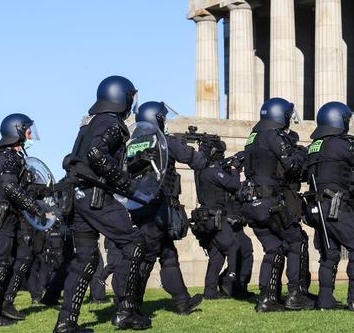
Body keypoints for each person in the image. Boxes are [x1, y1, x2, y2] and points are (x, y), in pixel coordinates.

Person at [54, 76, 150, 332]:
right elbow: (96, 154)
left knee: (84, 259)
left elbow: (84, 157)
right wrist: (124, 184)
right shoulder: (112, 123)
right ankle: (126, 312)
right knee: (134, 244)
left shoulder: (90, 122)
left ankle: (66, 323)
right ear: (121, 97)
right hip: (97, 199)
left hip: (79, 197)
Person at [304, 101, 354, 311]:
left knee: (329, 254)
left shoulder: (314, 145)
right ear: (338, 120)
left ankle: (325, 300)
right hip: (335, 205)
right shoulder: (340, 143)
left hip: (317, 207)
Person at [129, 100, 207, 314]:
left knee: (168, 254)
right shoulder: (163, 140)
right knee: (146, 256)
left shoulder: (132, 143)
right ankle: (131, 306)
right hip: (157, 207)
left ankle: (182, 301)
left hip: (138, 205)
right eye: (163, 118)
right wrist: (205, 153)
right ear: (156, 118)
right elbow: (194, 159)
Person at [242, 97, 313, 312]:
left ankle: (267, 299)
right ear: (280, 115)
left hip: (251, 202)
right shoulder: (273, 135)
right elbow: (291, 166)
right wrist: (302, 153)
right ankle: (296, 295)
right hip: (270, 201)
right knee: (297, 241)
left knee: (273, 248)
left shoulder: (253, 136)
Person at [0, 113, 46, 327]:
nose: (30, 134)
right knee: (0, 265)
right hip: (0, 218)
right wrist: (34, 207)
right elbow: (10, 187)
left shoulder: (16, 156)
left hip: (13, 218)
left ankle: (6, 304)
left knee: (22, 260)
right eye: (27, 129)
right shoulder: (4, 156)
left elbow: (25, 186)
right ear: (16, 130)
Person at [191, 140, 241, 300]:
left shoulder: (201, 171)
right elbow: (234, 185)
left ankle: (210, 291)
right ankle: (231, 281)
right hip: (216, 218)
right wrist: (234, 169)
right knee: (233, 247)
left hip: (206, 219)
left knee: (217, 256)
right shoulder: (212, 171)